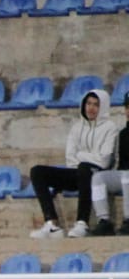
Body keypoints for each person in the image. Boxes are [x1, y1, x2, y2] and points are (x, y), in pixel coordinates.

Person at [30, 87, 116, 239]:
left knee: (84, 167)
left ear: (102, 107)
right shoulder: (77, 127)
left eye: (96, 104)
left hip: (97, 175)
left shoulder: (110, 128)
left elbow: (104, 161)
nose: (91, 108)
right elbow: (70, 158)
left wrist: (81, 155)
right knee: (37, 171)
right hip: (77, 172)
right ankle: (51, 224)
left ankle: (82, 223)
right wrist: (88, 157)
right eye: (88, 103)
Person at [86, 92, 129, 235]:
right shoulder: (122, 134)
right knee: (98, 178)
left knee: (127, 176)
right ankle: (104, 221)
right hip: (124, 175)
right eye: (127, 107)